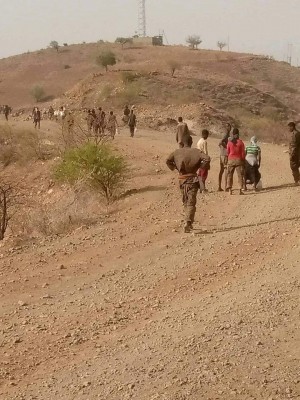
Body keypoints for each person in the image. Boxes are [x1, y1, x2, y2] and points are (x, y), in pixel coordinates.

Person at [166, 136, 210, 233]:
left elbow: (168, 161)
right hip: (193, 179)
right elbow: (207, 158)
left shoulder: (176, 152)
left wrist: (176, 168)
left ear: (183, 142)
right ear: (191, 142)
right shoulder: (197, 152)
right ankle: (188, 222)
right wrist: (200, 167)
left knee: (185, 200)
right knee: (191, 202)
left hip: (182, 180)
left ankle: (188, 221)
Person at [226, 128, 245, 195]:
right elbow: (243, 153)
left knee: (229, 175)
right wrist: (243, 161)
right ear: (238, 134)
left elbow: (227, 152)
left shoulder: (229, 142)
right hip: (239, 160)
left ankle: (230, 190)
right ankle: (240, 190)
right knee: (240, 175)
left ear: (232, 134)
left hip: (231, 160)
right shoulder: (241, 142)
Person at [218, 123, 232, 191]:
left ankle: (219, 186)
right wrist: (226, 147)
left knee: (221, 170)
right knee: (226, 170)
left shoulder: (223, 133)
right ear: (228, 127)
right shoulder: (226, 133)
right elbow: (220, 142)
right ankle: (226, 186)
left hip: (221, 154)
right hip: (225, 154)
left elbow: (219, 144)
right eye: (230, 127)